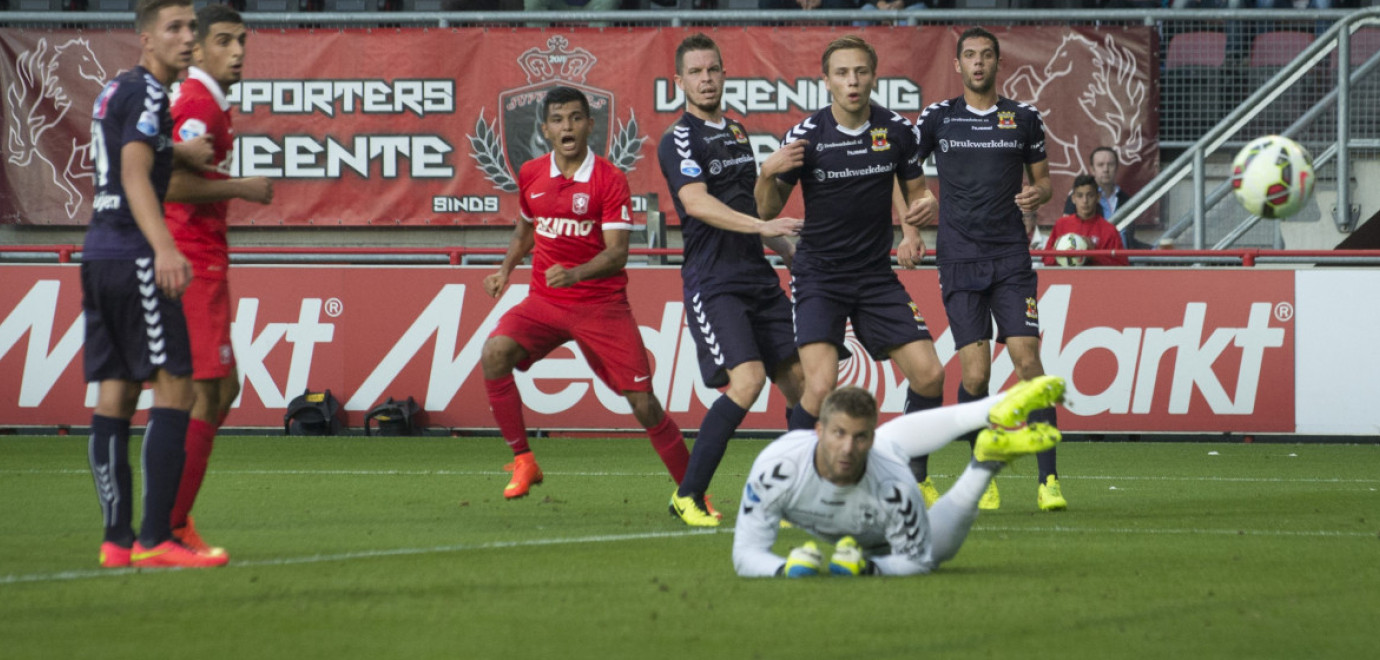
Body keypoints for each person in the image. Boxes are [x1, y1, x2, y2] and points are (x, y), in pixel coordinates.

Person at [482, 86, 691, 502]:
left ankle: (692, 491)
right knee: (494, 355)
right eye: (558, 120)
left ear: (590, 126)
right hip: (545, 302)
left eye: (576, 118)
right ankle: (524, 460)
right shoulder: (532, 174)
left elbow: (618, 254)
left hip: (601, 307)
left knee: (642, 403)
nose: (567, 127)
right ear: (545, 129)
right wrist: (505, 269)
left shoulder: (610, 180)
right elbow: (526, 229)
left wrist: (575, 274)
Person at [83, 0, 227, 569]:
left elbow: (130, 153)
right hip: (134, 251)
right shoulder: (147, 92)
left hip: (98, 255)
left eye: (192, 27)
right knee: (178, 388)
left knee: (115, 392)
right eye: (175, 29)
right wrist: (163, 247)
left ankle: (117, 540)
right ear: (146, 39)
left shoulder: (115, 91)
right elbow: (135, 172)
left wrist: (176, 149)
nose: (188, 38)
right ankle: (156, 537)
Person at [754, 35, 946, 448]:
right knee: (821, 387)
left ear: (874, 76)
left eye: (860, 71)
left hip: (875, 277)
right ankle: (793, 477)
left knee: (931, 376)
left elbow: (917, 191)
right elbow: (765, 212)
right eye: (842, 73)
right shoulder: (805, 136)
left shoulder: (896, 130)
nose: (852, 80)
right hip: (819, 277)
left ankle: (910, 473)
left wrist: (923, 207)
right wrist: (767, 172)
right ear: (826, 81)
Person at [907, 26, 1066, 512]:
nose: (978, 63)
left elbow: (1043, 183)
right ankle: (981, 474)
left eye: (986, 56)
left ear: (999, 64)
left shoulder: (1023, 119)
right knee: (975, 376)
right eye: (970, 56)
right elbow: (903, 171)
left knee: (1028, 361)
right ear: (957, 65)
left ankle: (1049, 480)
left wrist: (1036, 195)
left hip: (1010, 260)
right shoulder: (937, 118)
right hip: (958, 259)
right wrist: (913, 217)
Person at [656, 34, 806, 528]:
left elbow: (751, 210)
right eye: (695, 72)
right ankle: (689, 495)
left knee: (805, 386)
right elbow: (697, 202)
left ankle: (786, 499)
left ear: (724, 74)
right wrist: (765, 227)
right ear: (679, 82)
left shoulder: (738, 132)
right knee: (748, 380)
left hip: (756, 277)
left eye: (713, 70)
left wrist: (789, 251)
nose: (706, 79)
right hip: (713, 280)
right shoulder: (678, 138)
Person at [732, 376, 1065, 577]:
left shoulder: (894, 485)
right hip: (877, 459)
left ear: (870, 439)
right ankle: (993, 407)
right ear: (817, 431)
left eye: (860, 437)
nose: (848, 448)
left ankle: (985, 464)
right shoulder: (777, 468)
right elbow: (746, 554)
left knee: (935, 552)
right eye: (838, 434)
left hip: (885, 535)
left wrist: (868, 568)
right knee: (889, 443)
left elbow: (917, 561)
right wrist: (784, 569)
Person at [160, 3, 275, 560]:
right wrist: (240, 187)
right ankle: (170, 525)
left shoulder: (209, 101)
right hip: (189, 260)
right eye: (225, 41)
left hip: (201, 259)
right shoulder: (199, 104)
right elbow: (172, 186)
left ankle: (170, 520)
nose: (238, 52)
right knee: (209, 391)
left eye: (242, 41)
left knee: (211, 390)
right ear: (198, 48)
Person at [1061, 146, 1149, 250]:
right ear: (1092, 170)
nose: (1106, 169)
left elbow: (1128, 240)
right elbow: (1066, 235)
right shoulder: (1080, 196)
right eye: (1100, 165)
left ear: (1116, 168)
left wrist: (1154, 249)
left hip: (1122, 263)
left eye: (1110, 164)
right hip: (1093, 262)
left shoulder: (1125, 200)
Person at [1045, 174, 1129, 267]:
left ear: (1098, 197)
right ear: (1073, 199)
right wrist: (1060, 251)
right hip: (1066, 280)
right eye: (1080, 196)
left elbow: (1122, 266)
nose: (1085, 201)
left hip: (1096, 280)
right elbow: (1046, 259)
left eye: (1090, 195)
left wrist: (1093, 255)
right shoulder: (1061, 224)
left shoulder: (1109, 230)